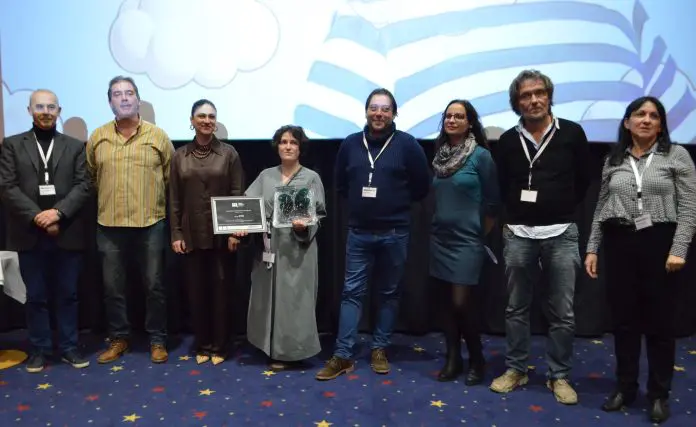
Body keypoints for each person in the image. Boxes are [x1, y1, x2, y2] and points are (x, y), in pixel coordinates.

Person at [584, 96, 696, 424]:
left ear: (660, 125)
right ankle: (625, 387)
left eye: (653, 116)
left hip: (661, 243)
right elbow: (602, 206)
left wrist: (679, 249)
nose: (646, 120)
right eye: (639, 114)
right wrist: (592, 248)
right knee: (624, 323)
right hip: (620, 243)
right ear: (627, 122)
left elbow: (690, 207)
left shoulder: (677, 155)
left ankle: (659, 394)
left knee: (660, 324)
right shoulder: (614, 159)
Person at [489, 70, 590, 404]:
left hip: (561, 232)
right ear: (516, 103)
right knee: (516, 308)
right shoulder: (507, 141)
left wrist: (558, 206)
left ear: (549, 95)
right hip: (519, 233)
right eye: (525, 95)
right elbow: (502, 185)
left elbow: (584, 181)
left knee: (562, 311)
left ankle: (559, 375)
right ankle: (516, 369)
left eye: (539, 93)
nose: (533, 100)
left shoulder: (572, 133)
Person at [315, 88, 430, 380]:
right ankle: (343, 354)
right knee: (351, 293)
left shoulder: (408, 145)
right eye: (374, 108)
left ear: (394, 114)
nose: (379, 114)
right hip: (359, 232)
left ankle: (380, 348)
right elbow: (341, 184)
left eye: (385, 109)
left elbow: (422, 186)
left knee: (389, 292)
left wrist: (394, 204)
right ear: (366, 111)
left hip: (395, 232)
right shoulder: (351, 144)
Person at [0, 89, 91, 372]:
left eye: (51, 107)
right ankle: (39, 349)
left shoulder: (75, 146)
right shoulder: (12, 145)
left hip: (66, 231)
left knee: (68, 295)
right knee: (36, 296)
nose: (46, 112)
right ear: (29, 111)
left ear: (59, 111)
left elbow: (84, 185)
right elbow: (7, 186)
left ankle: (69, 347)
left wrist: (57, 213)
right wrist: (37, 217)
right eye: (40, 107)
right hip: (29, 234)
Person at [86, 76, 174, 364]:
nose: (124, 98)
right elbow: (92, 178)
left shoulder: (158, 136)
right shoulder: (97, 137)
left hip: (150, 223)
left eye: (129, 93)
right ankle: (119, 338)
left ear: (138, 99)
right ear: (109, 101)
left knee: (154, 286)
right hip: (109, 225)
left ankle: (157, 339)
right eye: (117, 94)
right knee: (113, 288)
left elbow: (170, 178)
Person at [239, 125, 326, 370]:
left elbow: (319, 214)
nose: (288, 146)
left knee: (294, 302)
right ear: (277, 146)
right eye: (284, 142)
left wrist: (304, 227)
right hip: (268, 249)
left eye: (293, 143)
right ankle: (270, 347)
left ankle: (291, 352)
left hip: (298, 250)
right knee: (266, 299)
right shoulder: (266, 176)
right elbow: (248, 205)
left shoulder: (311, 178)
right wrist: (240, 227)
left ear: (300, 148)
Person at [430, 99, 500, 385]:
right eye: (448, 115)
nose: (452, 120)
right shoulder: (440, 156)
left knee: (462, 304)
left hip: (467, 242)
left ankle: (477, 359)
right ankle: (453, 358)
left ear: (470, 123)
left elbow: (493, 202)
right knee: (446, 304)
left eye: (459, 116)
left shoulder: (481, 156)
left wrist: (479, 233)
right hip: (440, 240)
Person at [169, 99, 244, 365]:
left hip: (222, 236)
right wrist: (176, 234)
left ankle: (221, 346)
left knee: (221, 293)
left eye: (211, 116)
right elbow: (174, 199)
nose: (207, 121)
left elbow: (237, 193)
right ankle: (202, 344)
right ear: (192, 121)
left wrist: (235, 232)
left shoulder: (229, 154)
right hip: (191, 235)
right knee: (196, 293)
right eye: (201, 116)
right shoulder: (179, 156)